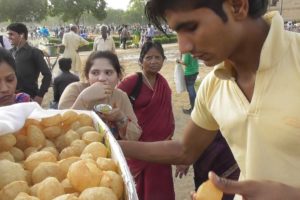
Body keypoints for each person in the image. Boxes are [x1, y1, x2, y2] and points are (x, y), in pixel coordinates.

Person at [119, 0, 300, 199]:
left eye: (191, 27)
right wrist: (112, 145)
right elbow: (185, 150)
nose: (183, 46)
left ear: (238, 7)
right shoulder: (213, 85)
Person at [118, 41, 175, 200]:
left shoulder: (163, 84)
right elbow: (114, 100)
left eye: (158, 57)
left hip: (162, 150)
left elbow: (167, 117)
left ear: (163, 60)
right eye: (149, 57)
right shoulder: (132, 81)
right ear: (141, 61)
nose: (154, 61)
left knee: (161, 190)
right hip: (139, 148)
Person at [58, 51, 141, 141]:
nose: (101, 78)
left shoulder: (121, 97)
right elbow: (60, 128)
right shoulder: (74, 90)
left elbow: (135, 135)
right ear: (87, 76)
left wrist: (120, 118)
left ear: (118, 76)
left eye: (108, 73)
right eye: (95, 73)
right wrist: (83, 99)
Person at [7, 23, 52, 105]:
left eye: (11, 34)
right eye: (8, 34)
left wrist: (40, 95)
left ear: (21, 35)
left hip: (30, 97)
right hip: (12, 97)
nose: (8, 37)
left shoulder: (34, 52)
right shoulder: (9, 53)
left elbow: (47, 74)